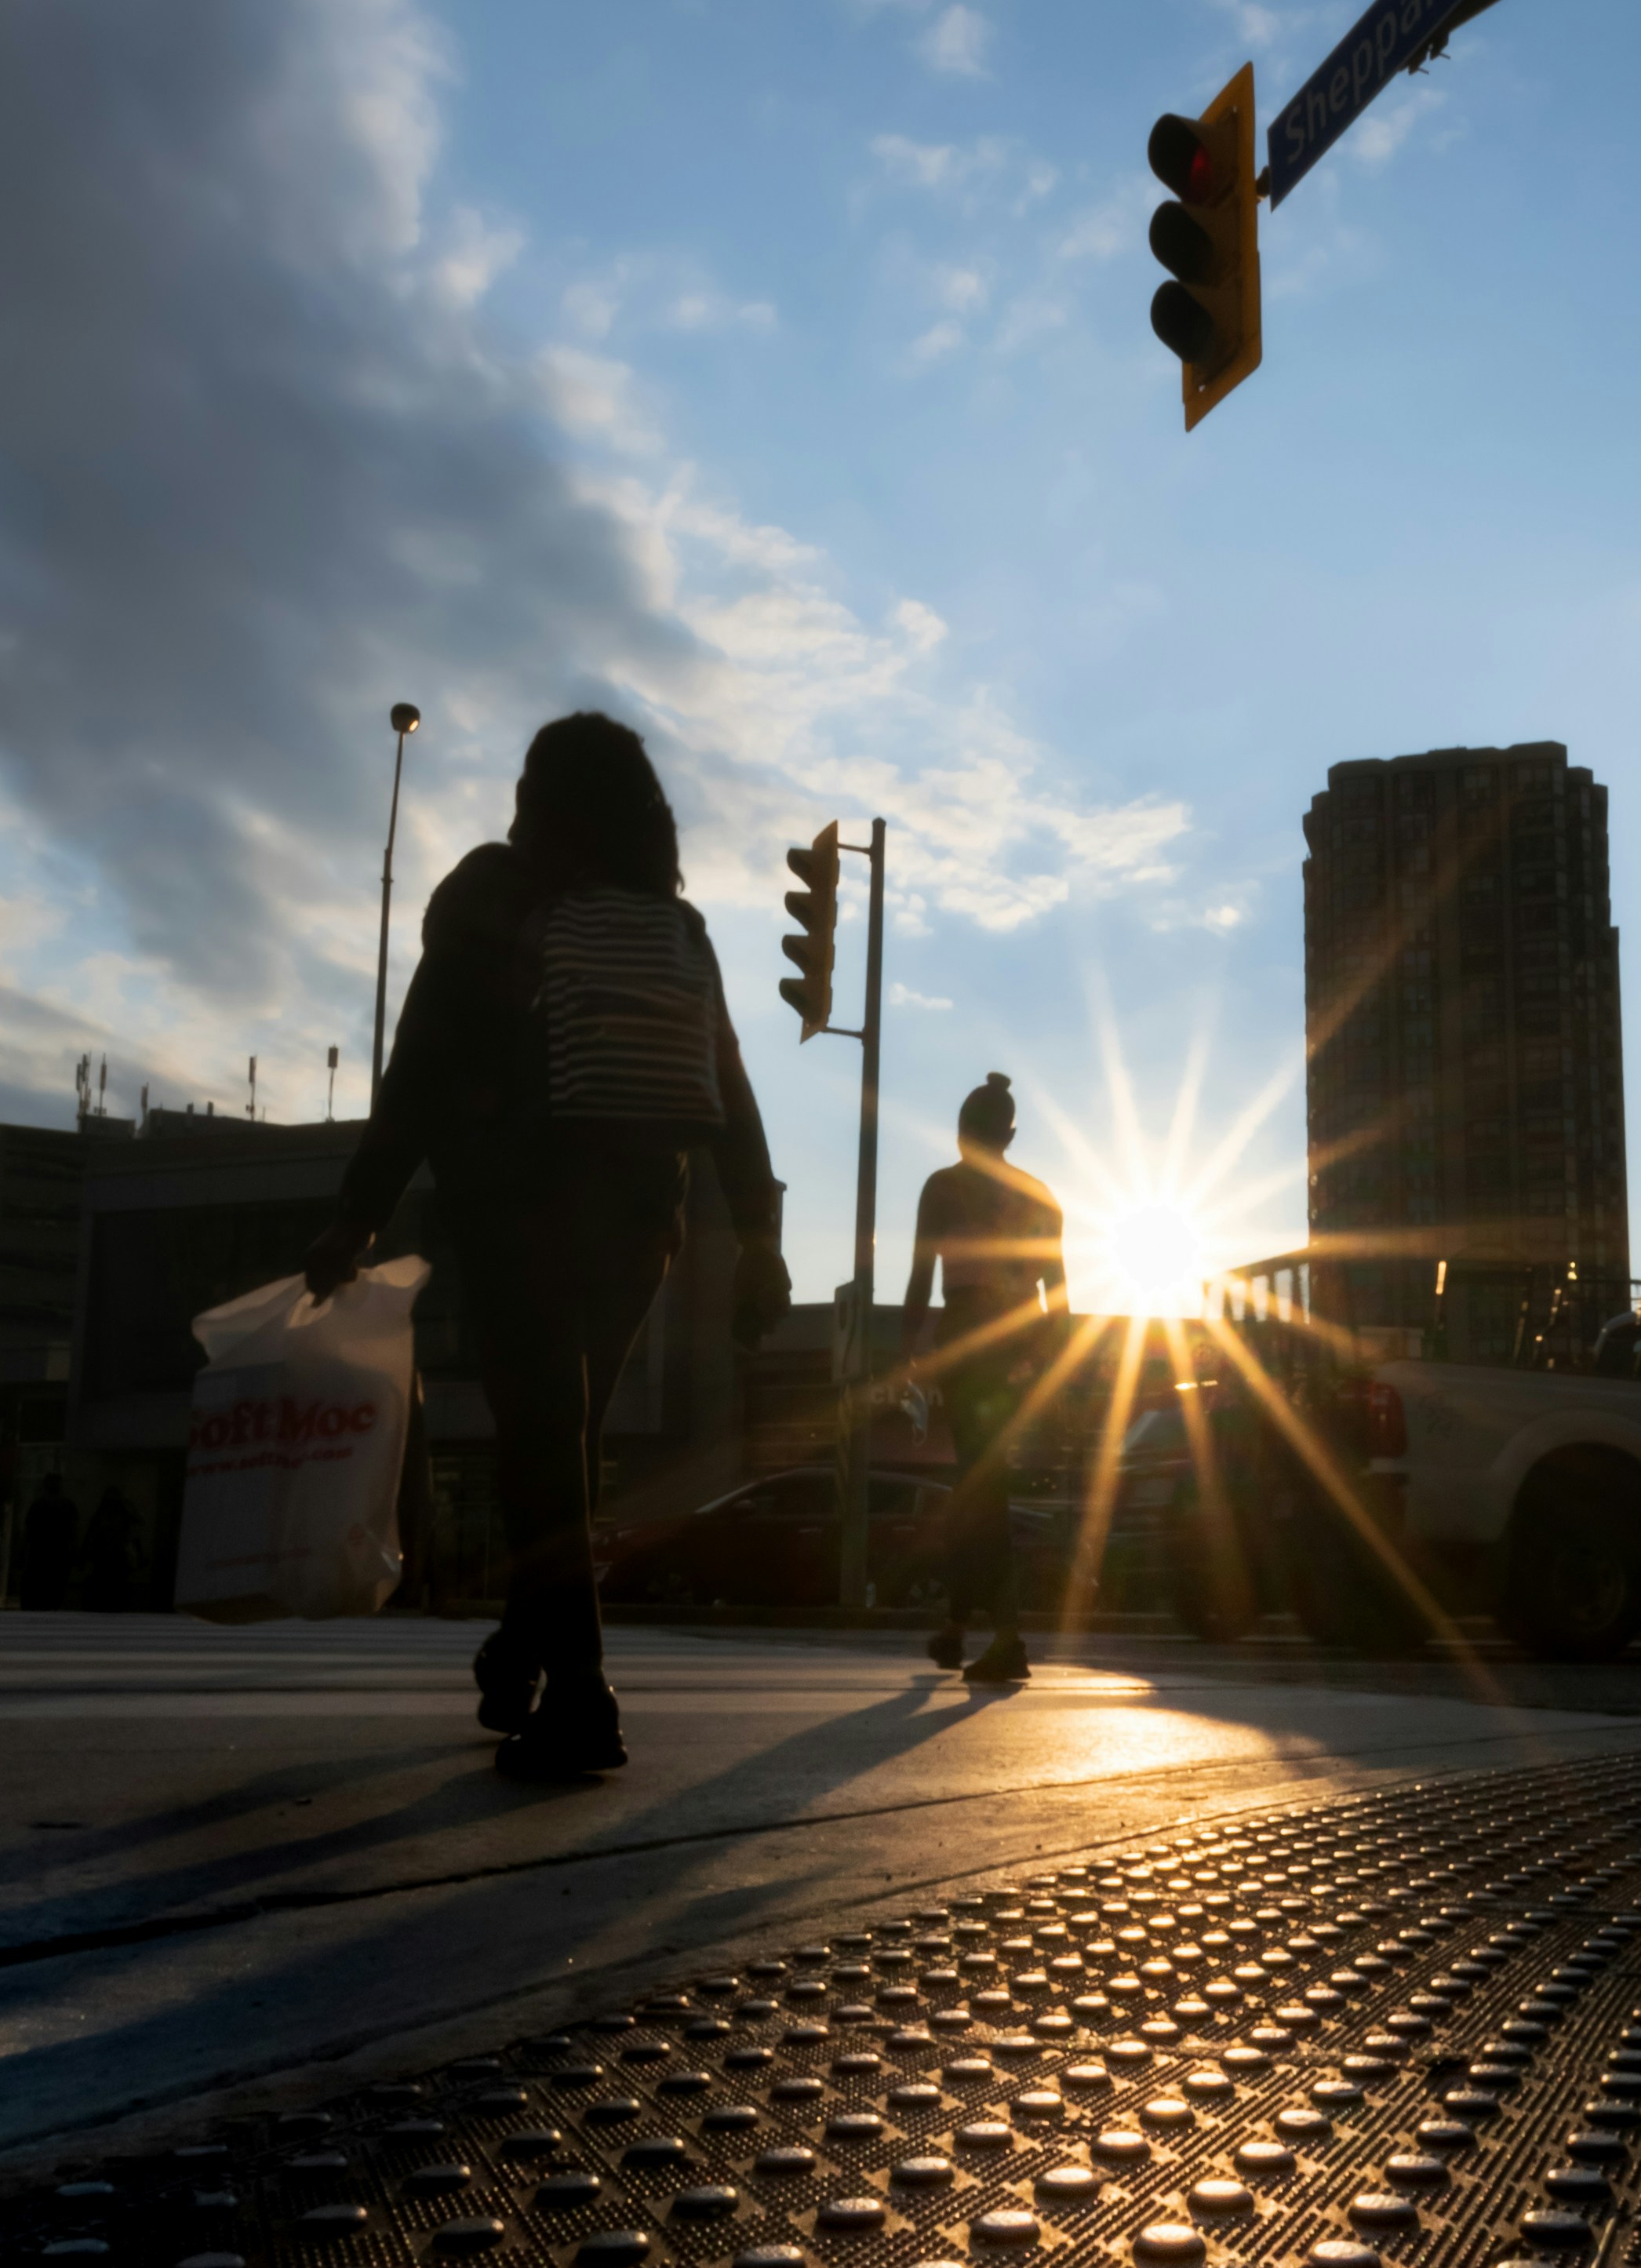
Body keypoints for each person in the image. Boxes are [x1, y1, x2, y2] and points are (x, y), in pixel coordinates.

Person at [300, 712, 791, 1780]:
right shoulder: (675, 924)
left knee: (541, 1439)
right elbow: (727, 1081)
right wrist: (758, 1232)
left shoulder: (492, 891)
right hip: (640, 1225)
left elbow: (423, 1057)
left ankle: (578, 1695)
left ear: (544, 802)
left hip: (519, 1204)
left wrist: (359, 1210)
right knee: (560, 1442)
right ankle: (525, 1648)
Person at [899, 1071, 1067, 1685]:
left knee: (980, 1489)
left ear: (963, 1131)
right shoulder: (1040, 1196)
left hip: (971, 1349)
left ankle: (1006, 1635)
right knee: (975, 1487)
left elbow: (921, 1279)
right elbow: (1058, 1297)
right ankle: (957, 1623)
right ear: (1010, 1136)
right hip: (1020, 1353)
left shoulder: (943, 1188)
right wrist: (1052, 1370)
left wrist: (907, 1354)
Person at [16, 1474, 78, 1613]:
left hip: (48, 1554)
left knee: (47, 1589)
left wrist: (22, 1551)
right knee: (49, 1590)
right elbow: (74, 1531)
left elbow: (28, 1530)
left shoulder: (42, 1505)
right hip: (49, 1554)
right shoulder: (63, 1505)